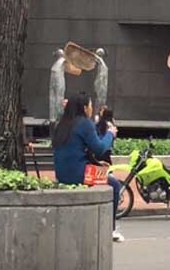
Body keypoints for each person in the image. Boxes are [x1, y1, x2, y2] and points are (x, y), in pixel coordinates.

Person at [52, 93, 125, 242]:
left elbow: (74, 150)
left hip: (61, 174)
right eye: (91, 106)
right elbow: (100, 148)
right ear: (85, 108)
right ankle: (110, 229)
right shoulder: (85, 123)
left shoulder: (61, 124)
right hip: (80, 174)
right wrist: (110, 134)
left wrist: (97, 164)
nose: (92, 109)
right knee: (115, 185)